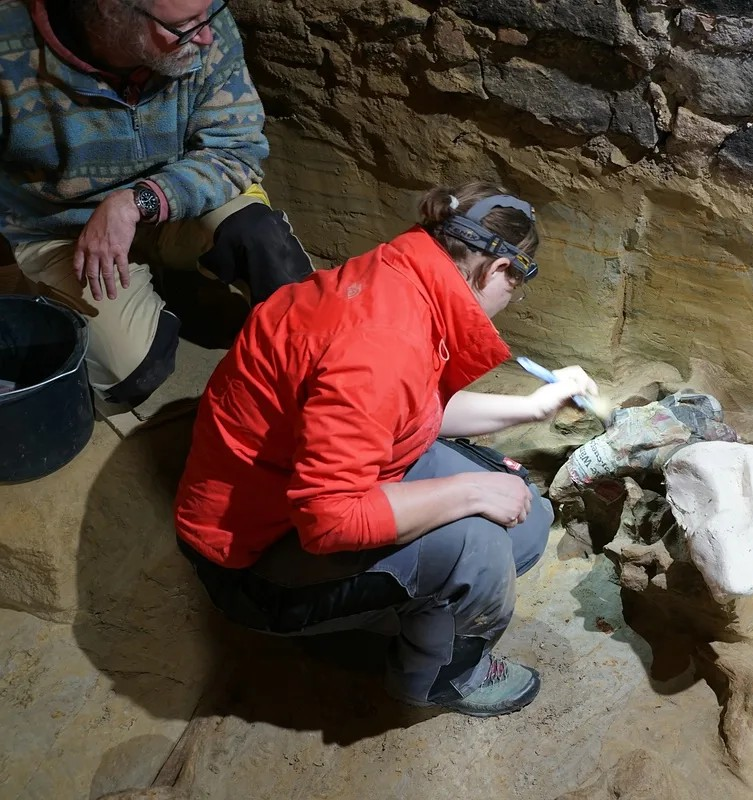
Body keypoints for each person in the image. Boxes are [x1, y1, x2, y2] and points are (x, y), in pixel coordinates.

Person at [174, 182, 599, 717]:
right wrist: (470, 491)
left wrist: (533, 407)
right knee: (480, 546)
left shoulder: (400, 277)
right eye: (518, 284)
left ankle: (410, 605)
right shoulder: (382, 341)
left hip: (296, 490)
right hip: (256, 559)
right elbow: (328, 518)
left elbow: (408, 409)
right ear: (496, 271)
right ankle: (441, 676)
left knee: (526, 519)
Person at [0, 0, 313, 407]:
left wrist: (136, 201)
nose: (204, 35)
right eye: (182, 27)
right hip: (64, 228)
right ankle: (129, 296)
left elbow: (237, 149)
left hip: (173, 198)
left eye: (209, 14)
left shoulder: (201, 17)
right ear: (109, 15)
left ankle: (184, 285)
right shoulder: (10, 51)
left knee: (261, 240)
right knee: (128, 373)